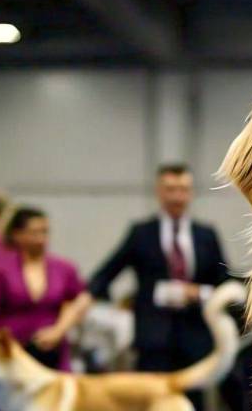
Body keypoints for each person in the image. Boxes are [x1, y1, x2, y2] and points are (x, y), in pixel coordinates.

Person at [80, 163, 232, 411]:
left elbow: (224, 280)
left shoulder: (206, 234)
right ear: (159, 192)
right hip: (153, 340)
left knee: (196, 404)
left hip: (196, 339)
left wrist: (200, 293)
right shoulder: (141, 233)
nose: (177, 196)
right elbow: (106, 274)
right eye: (170, 189)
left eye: (183, 189)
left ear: (191, 193)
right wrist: (80, 305)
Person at [0, 207, 91, 370]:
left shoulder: (64, 268)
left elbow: (79, 300)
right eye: (34, 233)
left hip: (52, 349)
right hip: (12, 350)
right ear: (17, 235)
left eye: (45, 232)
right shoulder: (0, 268)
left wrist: (59, 330)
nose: (41, 239)